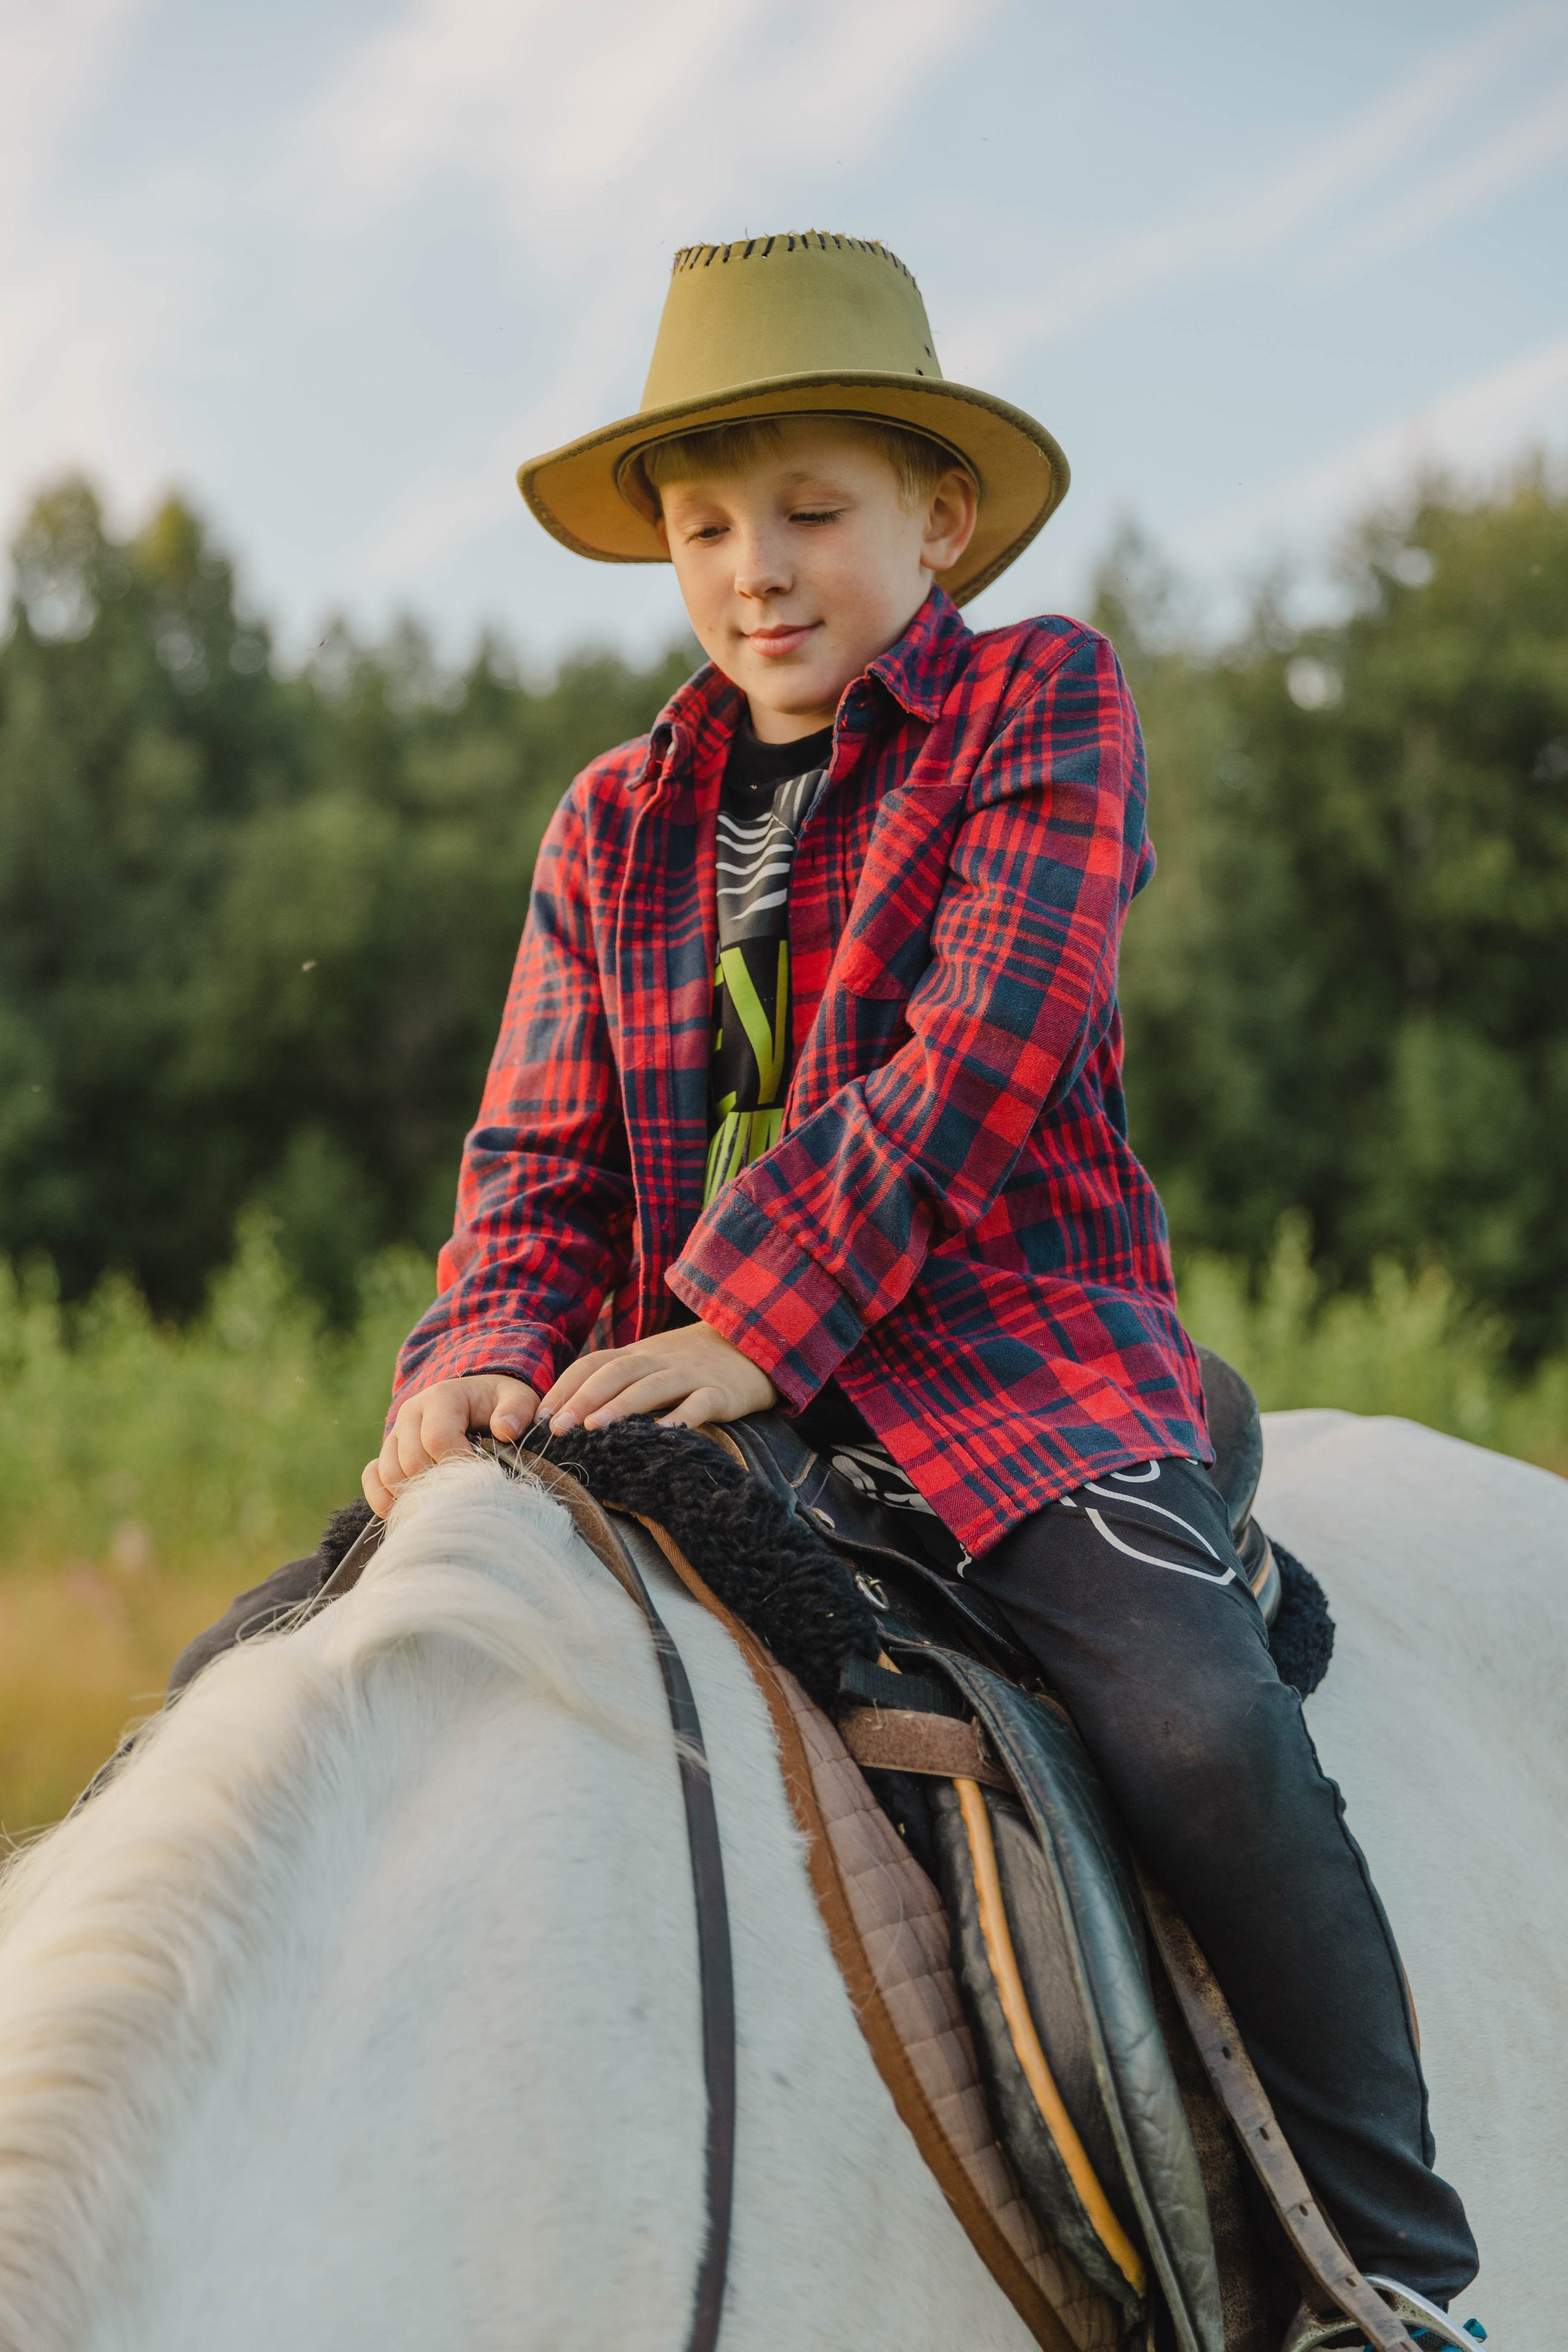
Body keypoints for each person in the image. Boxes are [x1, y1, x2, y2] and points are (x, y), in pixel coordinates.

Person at [371, 235, 1480, 2331]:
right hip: (672, 1383)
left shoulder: (1040, 703)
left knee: (1189, 1722)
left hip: (1001, 1363)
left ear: (934, 520)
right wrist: (487, 1355)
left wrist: (747, 1328)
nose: (756, 571)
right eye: (707, 528)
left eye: (812, 514)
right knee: (383, 1664)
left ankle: (1394, 2279)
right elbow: (537, 1159)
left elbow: (988, 1047)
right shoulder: (612, 821)